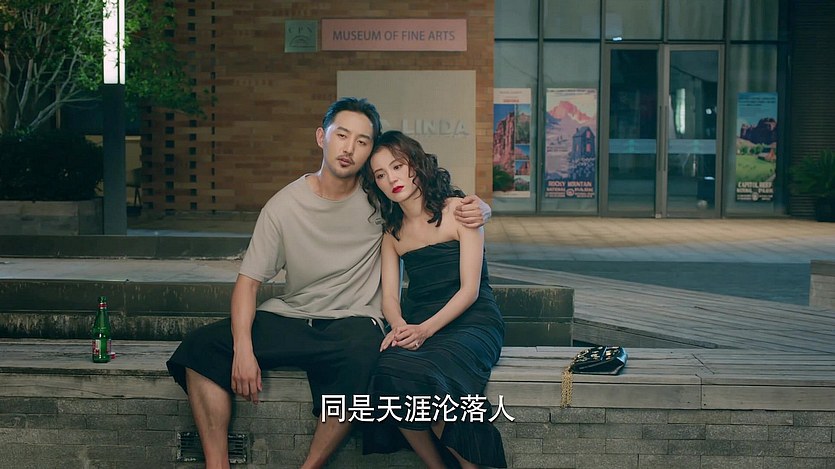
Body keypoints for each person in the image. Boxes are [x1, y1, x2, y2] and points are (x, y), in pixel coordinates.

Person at [166, 97, 490, 469]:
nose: (350, 148)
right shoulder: (283, 206)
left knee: (366, 355)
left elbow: (429, 203)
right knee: (200, 347)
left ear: (370, 152)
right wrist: (242, 348)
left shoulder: (380, 199)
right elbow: (248, 283)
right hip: (293, 317)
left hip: (353, 322)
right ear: (322, 137)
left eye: (362, 141)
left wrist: (481, 208)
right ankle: (217, 463)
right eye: (342, 135)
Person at [359, 130, 507, 469]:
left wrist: (424, 331)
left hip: (472, 319)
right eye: (380, 175)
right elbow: (389, 298)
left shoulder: (460, 210)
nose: (391, 179)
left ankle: (471, 465)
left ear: (416, 164)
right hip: (418, 320)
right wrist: (399, 326)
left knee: (429, 374)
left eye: (397, 167)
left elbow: (470, 290)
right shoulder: (392, 233)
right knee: (388, 372)